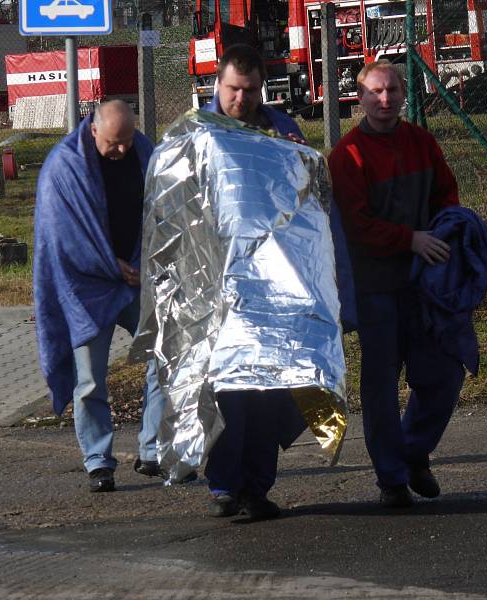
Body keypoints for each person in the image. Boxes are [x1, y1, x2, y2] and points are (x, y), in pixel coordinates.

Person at [200, 43, 356, 520]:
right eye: (232, 89)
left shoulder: (282, 132)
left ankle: (257, 487)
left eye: (249, 90)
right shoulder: (200, 138)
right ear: (217, 85)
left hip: (278, 289)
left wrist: (332, 287)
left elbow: (314, 209)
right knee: (229, 392)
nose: (240, 99)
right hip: (221, 291)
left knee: (270, 392)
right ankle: (224, 485)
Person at [327, 61, 469, 508]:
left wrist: (443, 233)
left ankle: (413, 453)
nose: (384, 99)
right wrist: (410, 239)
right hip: (376, 288)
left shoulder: (421, 142)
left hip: (424, 285)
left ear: (404, 94)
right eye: (375, 92)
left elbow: (447, 193)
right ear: (360, 98)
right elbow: (357, 224)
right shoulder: (347, 155)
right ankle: (391, 478)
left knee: (444, 372)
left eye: (391, 91)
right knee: (381, 388)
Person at [34, 100, 171, 493]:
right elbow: (61, 236)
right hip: (87, 287)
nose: (122, 150)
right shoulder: (64, 166)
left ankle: (152, 449)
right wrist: (111, 265)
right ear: (93, 130)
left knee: (165, 352)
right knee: (91, 379)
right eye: (114, 143)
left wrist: (143, 262)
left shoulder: (144, 152)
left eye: (128, 140)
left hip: (137, 276)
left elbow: (164, 212)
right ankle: (98, 460)